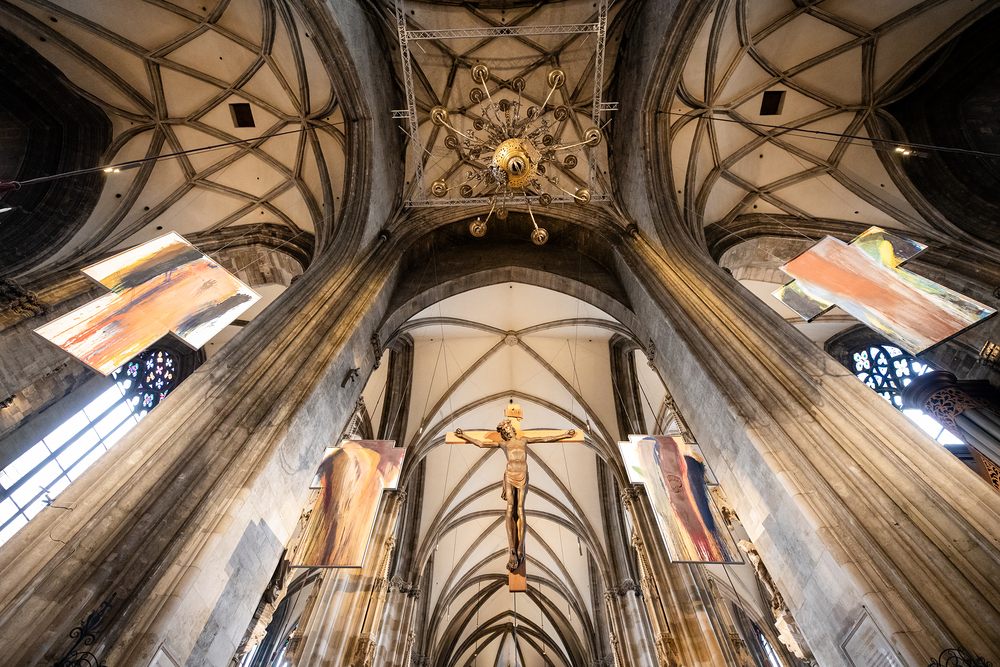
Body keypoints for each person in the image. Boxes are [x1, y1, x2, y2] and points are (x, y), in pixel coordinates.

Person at [454, 419, 575, 571]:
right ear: (504, 433)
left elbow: (544, 438)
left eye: (509, 428)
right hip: (510, 474)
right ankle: (512, 548)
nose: (508, 431)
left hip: (522, 474)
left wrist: (564, 434)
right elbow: (481, 443)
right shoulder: (504, 444)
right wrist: (465, 435)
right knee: (510, 508)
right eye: (506, 429)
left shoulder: (524, 440)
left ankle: (520, 548)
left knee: (520, 509)